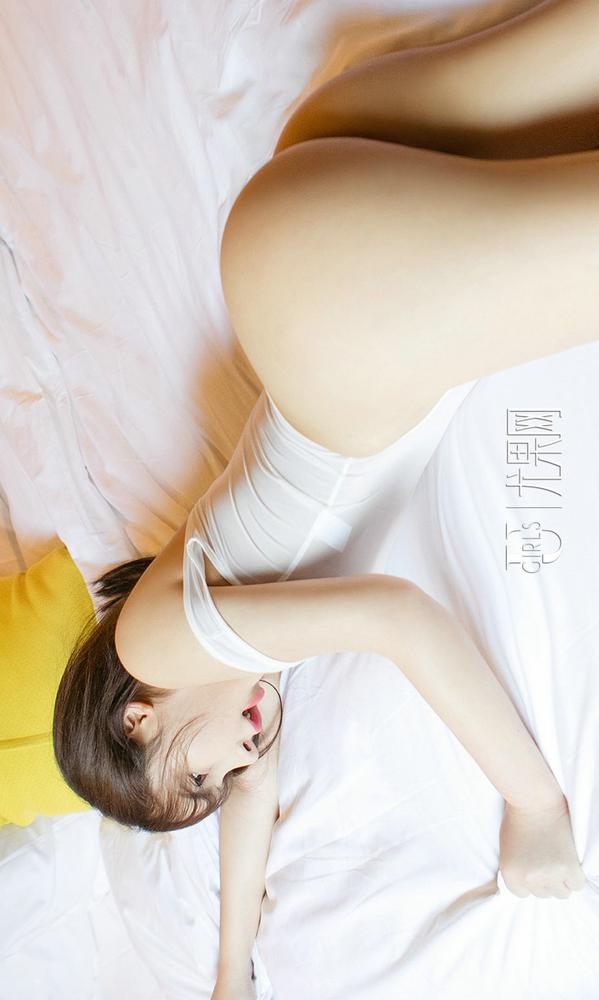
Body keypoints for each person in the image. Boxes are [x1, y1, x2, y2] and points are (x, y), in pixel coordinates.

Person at [52, 2, 597, 996]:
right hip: (312, 222)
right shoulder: (218, 641)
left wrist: (533, 804)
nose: (239, 763)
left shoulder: (158, 646)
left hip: (347, 309)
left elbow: (394, 618)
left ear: (136, 719)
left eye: (197, 775)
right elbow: (253, 793)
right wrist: (231, 973)